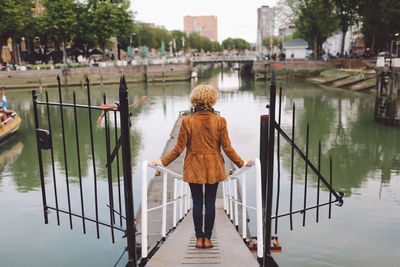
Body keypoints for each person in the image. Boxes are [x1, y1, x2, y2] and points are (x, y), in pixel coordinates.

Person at [151, 85, 252, 249]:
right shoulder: (220, 121)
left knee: (197, 203)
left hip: (194, 167)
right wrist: (242, 163)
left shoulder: (188, 121)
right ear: (212, 100)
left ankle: (199, 238)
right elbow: (227, 148)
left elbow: (178, 149)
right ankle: (208, 238)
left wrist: (161, 163)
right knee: (210, 203)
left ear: (194, 99)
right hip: (214, 167)